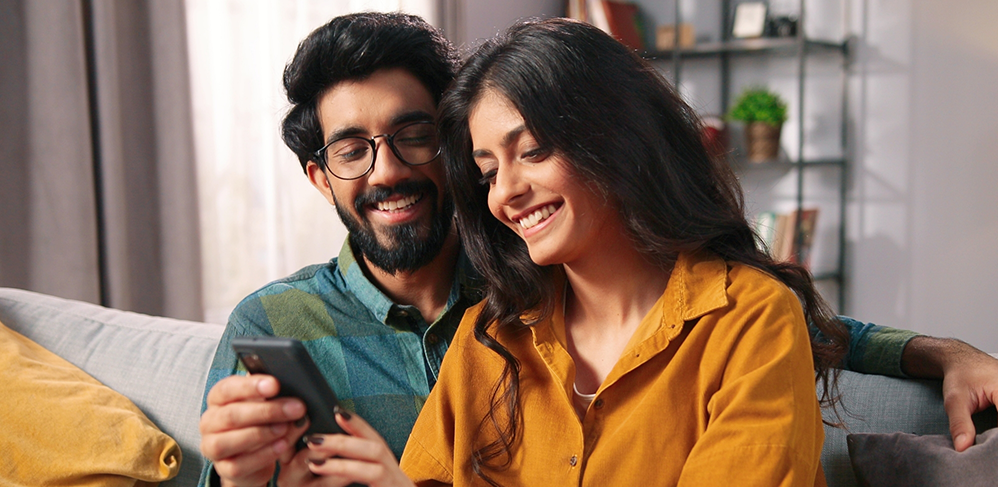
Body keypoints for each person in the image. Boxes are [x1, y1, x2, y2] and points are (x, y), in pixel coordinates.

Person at [196, 12, 998, 487]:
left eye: (532, 149)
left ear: (611, 137)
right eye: (486, 168)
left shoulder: (747, 318)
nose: (505, 191)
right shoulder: (494, 333)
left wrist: (941, 350)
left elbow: (821, 329)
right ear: (318, 173)